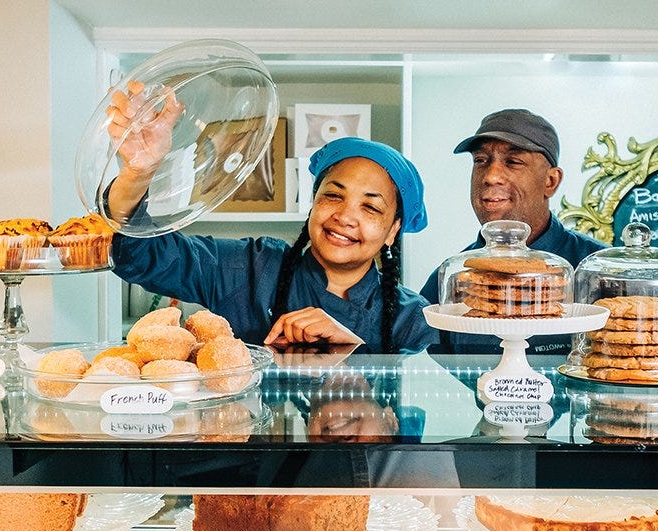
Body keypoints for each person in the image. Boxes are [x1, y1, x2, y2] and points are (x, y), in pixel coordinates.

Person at [105, 82, 435, 354]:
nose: (345, 216)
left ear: (393, 230)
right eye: (333, 195)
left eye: (370, 207)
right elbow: (142, 256)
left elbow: (414, 410)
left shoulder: (415, 319)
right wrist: (139, 172)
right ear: (313, 204)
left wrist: (349, 347)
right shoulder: (252, 267)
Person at [420, 109, 607, 354]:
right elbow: (429, 377)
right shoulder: (449, 280)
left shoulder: (597, 271)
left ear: (551, 181)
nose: (491, 176)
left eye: (513, 162)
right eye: (481, 161)